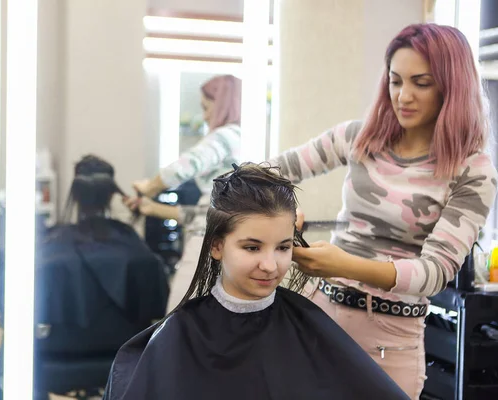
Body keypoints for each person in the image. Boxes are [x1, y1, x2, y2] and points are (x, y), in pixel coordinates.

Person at [269, 23, 498, 398]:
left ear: (451, 87)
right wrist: (280, 209)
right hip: (317, 318)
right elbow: (268, 173)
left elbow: (434, 272)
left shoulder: (472, 170)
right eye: (395, 81)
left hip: (389, 342)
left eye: (420, 83)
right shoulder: (359, 137)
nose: (402, 96)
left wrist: (341, 265)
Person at [104, 163, 408, 400]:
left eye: (283, 247)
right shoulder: (179, 336)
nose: (270, 265)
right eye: (252, 247)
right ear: (217, 246)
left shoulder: (309, 327)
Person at [34, 155, 170, 396]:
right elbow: (158, 308)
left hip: (59, 356)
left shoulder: (52, 248)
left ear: (75, 194)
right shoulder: (135, 248)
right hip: (125, 357)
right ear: (110, 194)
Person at [125, 74, 242, 311]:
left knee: (177, 320)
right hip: (215, 240)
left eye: (207, 108)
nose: (206, 116)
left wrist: (150, 186)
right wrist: (151, 208)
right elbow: (203, 214)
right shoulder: (236, 145)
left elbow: (185, 166)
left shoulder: (227, 135)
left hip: (207, 244)